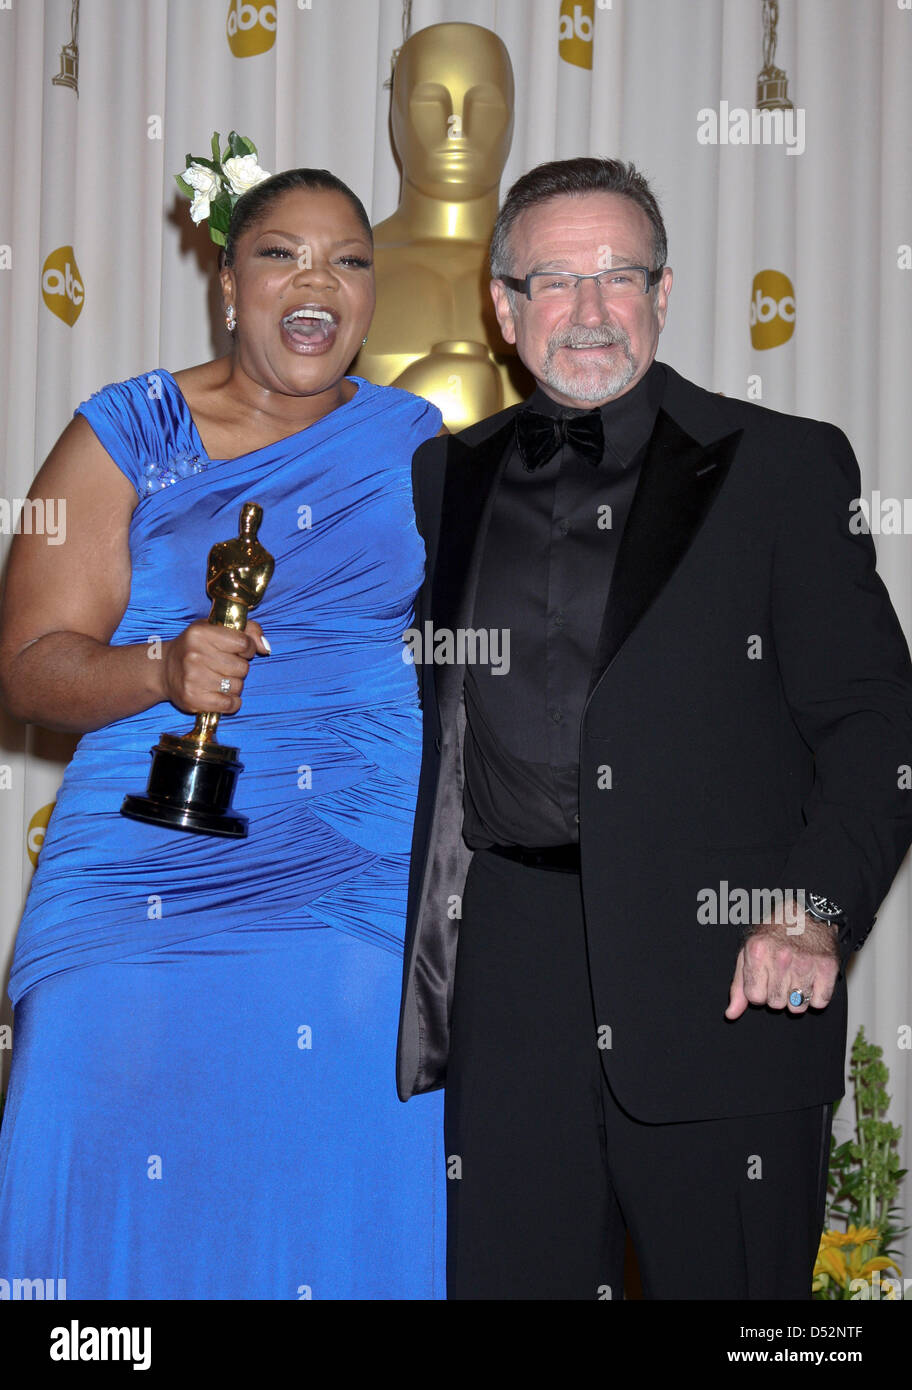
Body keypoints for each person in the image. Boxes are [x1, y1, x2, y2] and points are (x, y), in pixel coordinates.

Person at [396, 156, 912, 1300]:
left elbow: (877, 723)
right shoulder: (444, 477)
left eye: (619, 276)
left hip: (726, 970)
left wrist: (814, 912)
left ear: (665, 294)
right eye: (556, 280)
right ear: (505, 305)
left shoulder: (782, 465)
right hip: (512, 973)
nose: (588, 312)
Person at [0, 167, 446, 1299]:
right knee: (102, 1142)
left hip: (357, 864)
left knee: (343, 1156)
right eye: (282, 253)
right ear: (228, 281)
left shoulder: (415, 441)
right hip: (144, 861)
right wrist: (158, 665)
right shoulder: (128, 432)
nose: (317, 281)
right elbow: (24, 663)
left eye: (348, 260)